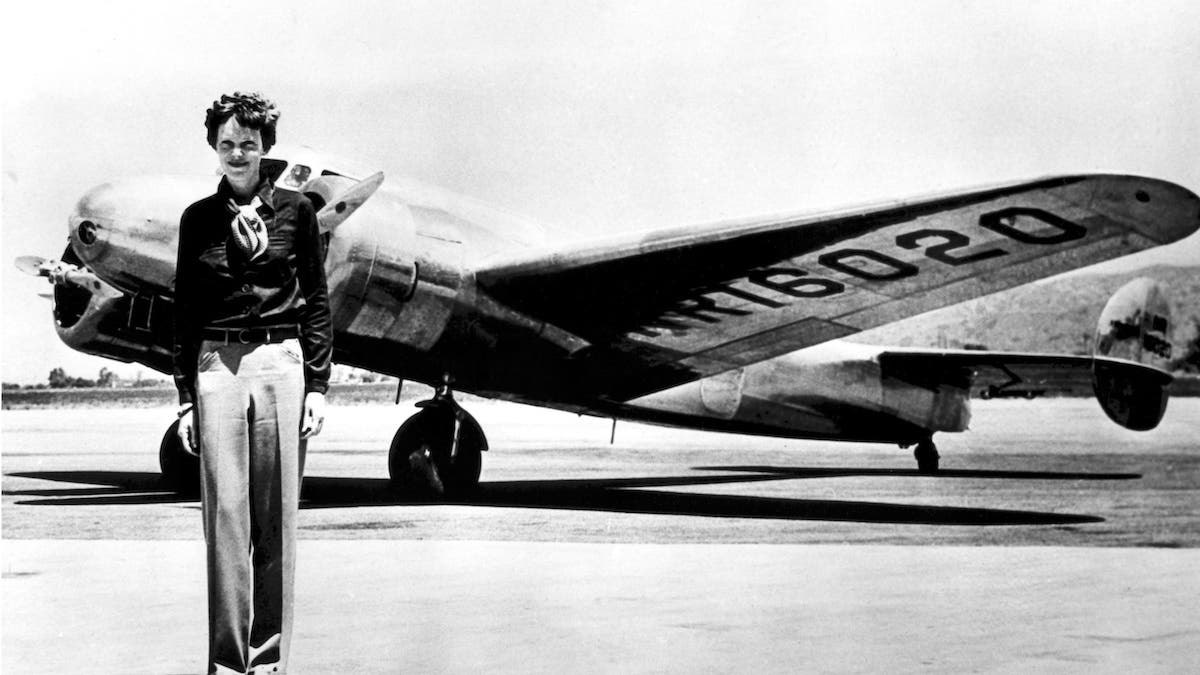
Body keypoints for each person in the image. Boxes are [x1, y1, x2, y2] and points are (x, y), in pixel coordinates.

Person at [172, 91, 332, 675]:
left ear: (265, 147)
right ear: (213, 148)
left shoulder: (298, 212)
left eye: (247, 143)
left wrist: (317, 384)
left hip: (280, 366)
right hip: (217, 367)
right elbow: (184, 311)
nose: (236, 154)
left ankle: (268, 663)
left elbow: (316, 302)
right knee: (225, 525)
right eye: (226, 144)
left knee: (275, 523)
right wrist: (187, 398)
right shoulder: (197, 220)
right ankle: (227, 664)